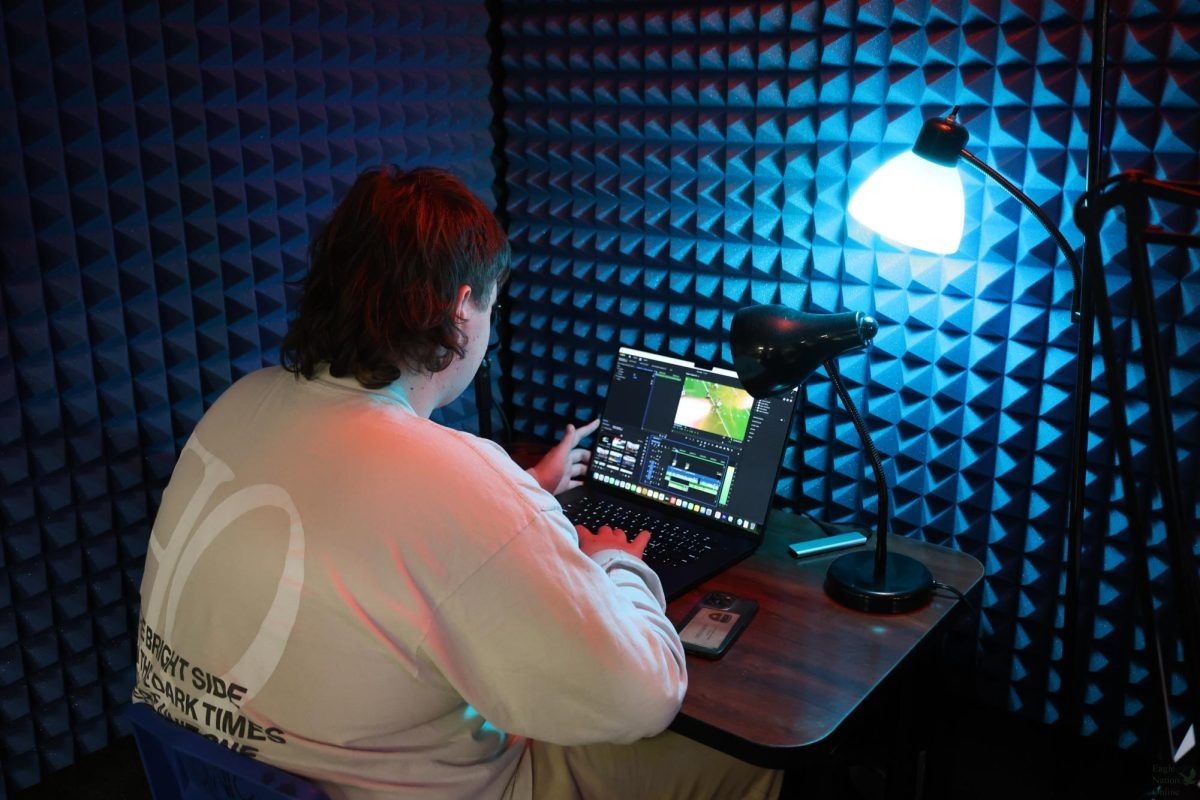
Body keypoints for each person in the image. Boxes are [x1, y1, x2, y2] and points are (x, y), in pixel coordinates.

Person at [131, 165, 782, 799]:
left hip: (215, 777)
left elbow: (377, 524)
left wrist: (520, 495)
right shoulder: (456, 479)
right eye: (493, 307)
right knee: (750, 765)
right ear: (462, 308)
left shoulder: (241, 403)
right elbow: (644, 698)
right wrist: (615, 562)